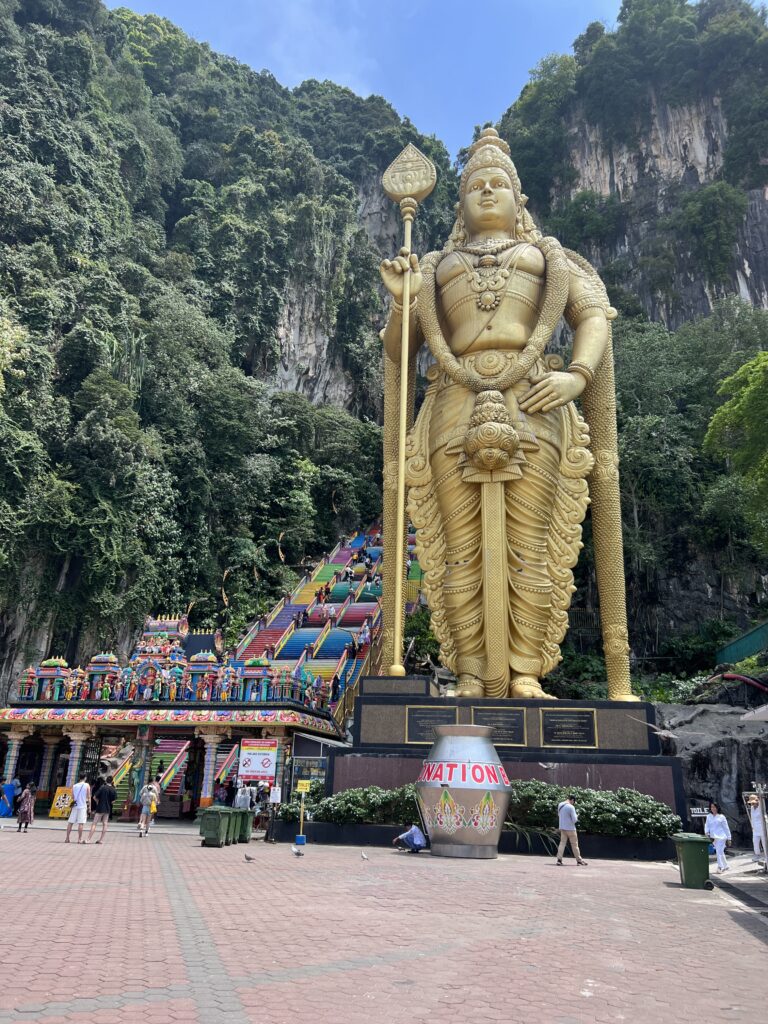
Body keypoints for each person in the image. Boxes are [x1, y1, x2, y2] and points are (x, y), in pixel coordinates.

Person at [379, 127, 633, 701]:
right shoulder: (435, 266)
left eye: (499, 184)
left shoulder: (550, 258)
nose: (487, 192)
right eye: (475, 186)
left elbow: (592, 316)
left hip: (534, 397)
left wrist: (577, 374)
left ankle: (523, 672)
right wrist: (402, 300)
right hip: (452, 401)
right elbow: (400, 351)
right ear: (460, 204)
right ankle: (471, 671)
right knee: (459, 544)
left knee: (532, 542)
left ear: (520, 200)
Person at [556, 794, 587, 866]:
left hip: (562, 827)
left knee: (562, 843)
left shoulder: (560, 805)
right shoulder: (571, 807)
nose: (573, 803)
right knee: (574, 845)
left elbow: (559, 815)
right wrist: (577, 816)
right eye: (574, 801)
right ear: (572, 800)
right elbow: (574, 820)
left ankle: (559, 860)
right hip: (571, 829)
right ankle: (579, 860)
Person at [87, 774, 116, 844]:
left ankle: (88, 839)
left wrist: (97, 802)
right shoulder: (113, 789)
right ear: (112, 781)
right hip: (107, 808)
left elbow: (94, 797)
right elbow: (113, 801)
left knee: (94, 823)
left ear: (106, 781)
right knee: (105, 823)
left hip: (100, 807)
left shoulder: (102, 787)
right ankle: (101, 840)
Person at [705, 801, 732, 872]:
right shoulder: (708, 816)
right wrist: (707, 833)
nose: (713, 808)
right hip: (714, 837)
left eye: (714, 807)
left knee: (718, 852)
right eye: (711, 807)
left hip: (722, 837)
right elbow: (707, 825)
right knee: (721, 852)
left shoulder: (722, 817)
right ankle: (726, 866)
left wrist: (729, 838)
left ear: (717, 808)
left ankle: (720, 867)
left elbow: (726, 828)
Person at [65, 773, 91, 844]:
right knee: (81, 823)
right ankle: (79, 839)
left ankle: (67, 838)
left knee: (70, 822)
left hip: (75, 806)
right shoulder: (87, 785)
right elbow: (89, 797)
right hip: (82, 806)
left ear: (79, 778)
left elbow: (73, 797)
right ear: (85, 778)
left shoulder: (74, 786)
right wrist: (90, 807)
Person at [747, 795, 767, 862]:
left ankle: (766, 856)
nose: (752, 804)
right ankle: (757, 855)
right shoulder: (752, 808)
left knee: (764, 843)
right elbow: (752, 818)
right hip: (755, 829)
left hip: (762, 828)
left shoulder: (761, 807)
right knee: (755, 843)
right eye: (751, 803)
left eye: (753, 803)